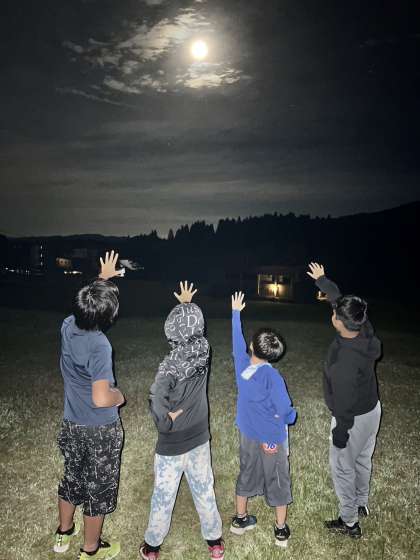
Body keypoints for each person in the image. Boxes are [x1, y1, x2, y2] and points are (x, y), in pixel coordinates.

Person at [140, 282, 224, 560]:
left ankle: (152, 547)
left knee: (163, 496)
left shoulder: (168, 366)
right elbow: (193, 333)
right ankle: (215, 542)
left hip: (172, 445)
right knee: (204, 490)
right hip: (199, 438)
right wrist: (187, 306)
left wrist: (166, 422)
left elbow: (156, 397)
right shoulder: (205, 350)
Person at [54, 250, 125, 559]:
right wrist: (119, 396)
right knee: (97, 490)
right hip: (99, 430)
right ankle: (91, 549)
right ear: (107, 318)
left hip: (71, 423)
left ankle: (64, 532)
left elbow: (87, 304)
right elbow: (101, 398)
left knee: (72, 477)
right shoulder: (99, 345)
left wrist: (102, 279)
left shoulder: (68, 325)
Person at [307, 262, 382, 539]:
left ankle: (350, 522)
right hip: (372, 410)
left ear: (339, 322)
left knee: (343, 467)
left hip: (353, 419)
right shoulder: (365, 329)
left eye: (334, 313)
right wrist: (323, 281)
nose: (333, 313)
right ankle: (361, 503)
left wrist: (340, 435)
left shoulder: (344, 363)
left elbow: (344, 406)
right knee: (363, 459)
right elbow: (338, 300)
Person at [230, 291, 296, 548]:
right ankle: (280, 530)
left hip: (247, 433)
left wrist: (236, 313)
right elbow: (285, 409)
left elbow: (236, 342)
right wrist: (291, 415)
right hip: (271, 438)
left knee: (246, 470)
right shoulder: (273, 377)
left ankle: (240, 519)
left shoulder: (242, 366)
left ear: (251, 347)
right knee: (277, 477)